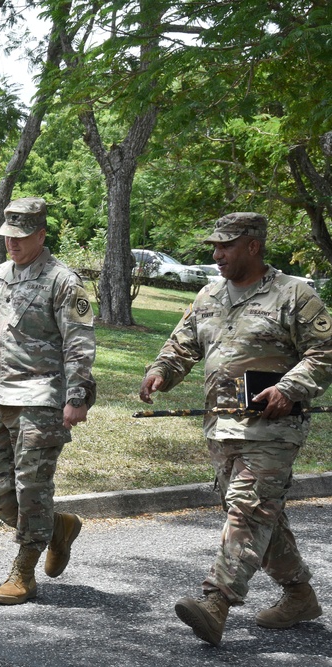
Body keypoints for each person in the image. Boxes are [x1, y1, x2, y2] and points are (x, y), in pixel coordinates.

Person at [139, 212, 331, 646]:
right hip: (220, 428)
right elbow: (182, 344)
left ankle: (216, 602)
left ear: (253, 246)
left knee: (246, 509)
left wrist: (290, 387)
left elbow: (325, 352)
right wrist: (160, 373)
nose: (216, 254)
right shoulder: (209, 294)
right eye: (215, 246)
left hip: (274, 429)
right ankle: (300, 595)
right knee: (263, 513)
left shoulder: (293, 294)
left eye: (226, 246)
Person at [0, 196, 96, 606]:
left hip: (44, 398)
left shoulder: (63, 281)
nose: (11, 244)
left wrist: (77, 396)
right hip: (0, 397)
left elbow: (80, 343)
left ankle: (24, 570)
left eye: (20, 237)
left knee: (31, 486)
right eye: (6, 236)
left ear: (41, 234)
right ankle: (56, 527)